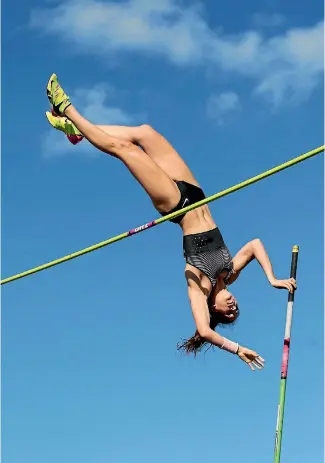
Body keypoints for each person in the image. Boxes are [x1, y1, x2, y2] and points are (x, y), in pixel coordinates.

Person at [45, 73, 297, 371]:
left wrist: (237, 348)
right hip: (196, 192)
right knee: (145, 133)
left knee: (125, 150)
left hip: (176, 205)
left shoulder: (199, 287)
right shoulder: (230, 273)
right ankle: (78, 132)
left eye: (227, 315)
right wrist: (272, 278)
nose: (232, 308)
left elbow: (204, 332)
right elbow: (255, 244)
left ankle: (67, 107)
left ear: (212, 310)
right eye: (236, 310)